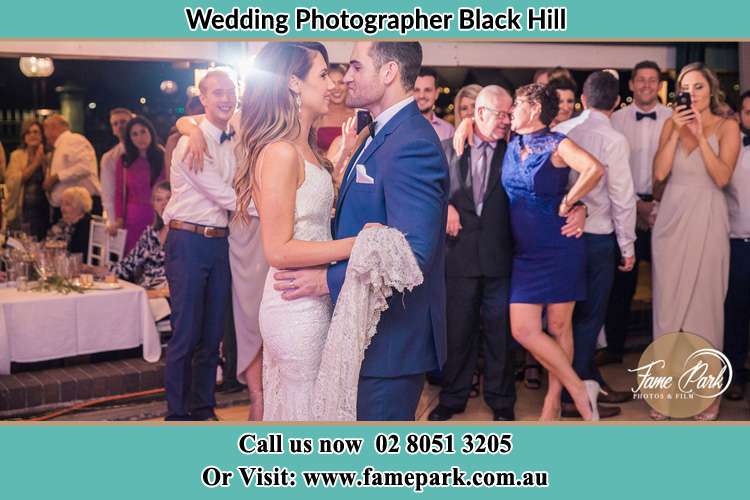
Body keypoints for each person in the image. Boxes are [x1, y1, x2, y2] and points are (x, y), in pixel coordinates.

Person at [273, 41, 449, 421]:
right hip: (363, 334)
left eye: (355, 66)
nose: (345, 77)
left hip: (390, 344)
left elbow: (413, 254)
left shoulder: (411, 142)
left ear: (388, 73)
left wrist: (326, 281)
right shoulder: (378, 133)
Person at [502, 83, 605, 420]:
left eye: (516, 103)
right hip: (524, 253)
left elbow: (594, 168)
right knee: (522, 329)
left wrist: (571, 200)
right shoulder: (512, 140)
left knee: (560, 326)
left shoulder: (558, 144)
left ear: (533, 109)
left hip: (559, 247)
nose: (511, 110)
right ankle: (578, 386)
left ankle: (553, 401)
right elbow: (478, 120)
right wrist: (463, 126)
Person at [651, 62, 740, 421]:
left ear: (711, 89)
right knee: (668, 310)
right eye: (686, 88)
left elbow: (721, 177)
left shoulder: (728, 126)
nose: (692, 93)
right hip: (671, 220)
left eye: (699, 87)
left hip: (708, 217)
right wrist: (676, 130)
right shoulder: (669, 124)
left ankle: (706, 395)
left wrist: (701, 134)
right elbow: (658, 174)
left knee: (704, 308)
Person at [430, 86, 517, 422]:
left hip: (500, 256)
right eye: (501, 114)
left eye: (510, 114)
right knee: (458, 332)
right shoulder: (447, 148)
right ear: (480, 113)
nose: (507, 121)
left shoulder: (515, 149)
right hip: (459, 256)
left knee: (500, 334)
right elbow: (428, 192)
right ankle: (452, 398)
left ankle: (501, 399)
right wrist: (446, 207)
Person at [557, 71, 638, 419]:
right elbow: (623, 198)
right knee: (590, 319)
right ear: (617, 103)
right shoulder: (615, 140)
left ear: (584, 100)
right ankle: (578, 395)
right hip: (599, 239)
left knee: (564, 318)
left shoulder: (562, 131)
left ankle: (579, 385)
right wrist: (628, 245)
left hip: (562, 237)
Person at [161, 68, 239, 421]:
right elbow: (226, 196)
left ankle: (203, 409)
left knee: (212, 336)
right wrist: (275, 206)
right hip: (188, 240)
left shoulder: (233, 138)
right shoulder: (189, 144)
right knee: (186, 334)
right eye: (217, 93)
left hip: (220, 244)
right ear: (203, 99)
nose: (225, 98)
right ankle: (177, 415)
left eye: (230, 91)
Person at [599, 60, 671, 366]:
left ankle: (665, 346)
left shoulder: (672, 118)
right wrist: (636, 207)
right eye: (640, 80)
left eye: (652, 80)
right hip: (625, 210)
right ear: (631, 85)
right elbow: (609, 170)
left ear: (659, 85)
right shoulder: (615, 120)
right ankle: (614, 348)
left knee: (667, 284)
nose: (645, 85)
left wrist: (656, 204)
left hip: (667, 211)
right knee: (621, 285)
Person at [723, 90, 750, 401]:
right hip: (737, 244)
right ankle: (734, 376)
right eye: (747, 111)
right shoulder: (730, 149)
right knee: (735, 314)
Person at [114, 115, 165, 253]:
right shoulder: (124, 161)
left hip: (158, 216)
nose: (140, 137)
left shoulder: (162, 156)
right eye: (134, 134)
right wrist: (118, 218)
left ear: (150, 132)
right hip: (133, 218)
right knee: (133, 261)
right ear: (129, 138)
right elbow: (119, 192)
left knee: (155, 259)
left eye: (143, 132)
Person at [111, 181, 171, 291]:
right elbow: (127, 265)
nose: (164, 204)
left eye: (169, 198)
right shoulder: (150, 234)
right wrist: (92, 270)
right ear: (153, 205)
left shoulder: (183, 234)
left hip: (167, 295)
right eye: (159, 200)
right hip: (144, 291)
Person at [42, 114, 102, 221]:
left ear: (54, 127)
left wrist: (56, 177)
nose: (45, 135)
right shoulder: (58, 147)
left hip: (81, 208)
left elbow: (85, 167)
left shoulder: (73, 139)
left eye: (45, 129)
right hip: (65, 209)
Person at [3, 120, 51, 240]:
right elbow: (12, 181)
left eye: (36, 132)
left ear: (42, 136)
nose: (32, 135)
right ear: (24, 137)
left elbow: (49, 183)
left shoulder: (48, 155)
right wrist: (35, 163)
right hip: (22, 211)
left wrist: (43, 161)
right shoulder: (17, 156)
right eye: (28, 133)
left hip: (44, 211)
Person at [100, 108, 134, 227]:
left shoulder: (152, 151)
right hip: (122, 216)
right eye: (115, 124)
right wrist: (112, 220)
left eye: (123, 122)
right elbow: (108, 192)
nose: (119, 126)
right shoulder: (109, 158)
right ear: (113, 129)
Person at [47, 187, 93, 261]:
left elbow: (78, 255)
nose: (62, 208)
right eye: (61, 204)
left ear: (80, 206)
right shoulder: (62, 222)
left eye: (67, 204)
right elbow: (48, 242)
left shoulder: (86, 225)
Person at [316, 64, 355, 152]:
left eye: (341, 83)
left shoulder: (356, 116)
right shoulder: (317, 116)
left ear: (348, 85)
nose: (336, 88)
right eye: (332, 83)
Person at [164, 96, 204, 170]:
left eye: (203, 112)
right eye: (199, 113)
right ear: (189, 111)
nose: (201, 117)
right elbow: (169, 176)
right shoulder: (174, 139)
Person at [414, 67, 454, 141]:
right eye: (416, 90)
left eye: (427, 90)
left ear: (436, 93)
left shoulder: (449, 131)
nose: (421, 95)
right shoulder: (397, 129)